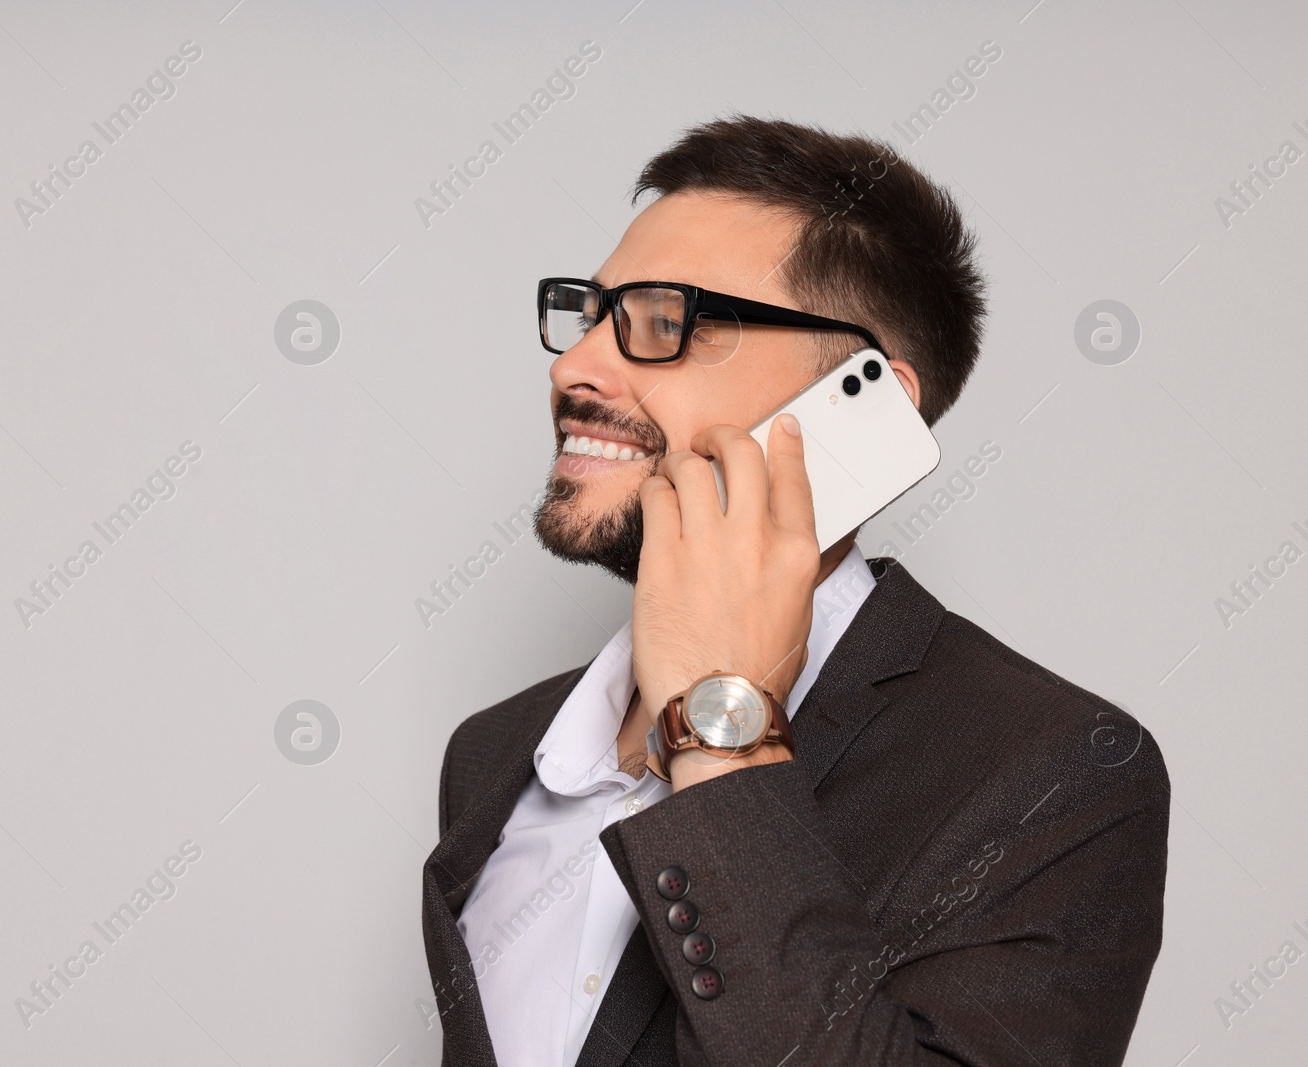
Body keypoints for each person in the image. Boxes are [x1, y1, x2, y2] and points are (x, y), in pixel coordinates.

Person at [420, 115, 1168, 1067]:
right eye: (591, 313)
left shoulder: (1057, 775)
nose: (574, 366)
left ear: (868, 405)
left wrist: (719, 732)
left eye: (662, 319)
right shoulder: (495, 754)